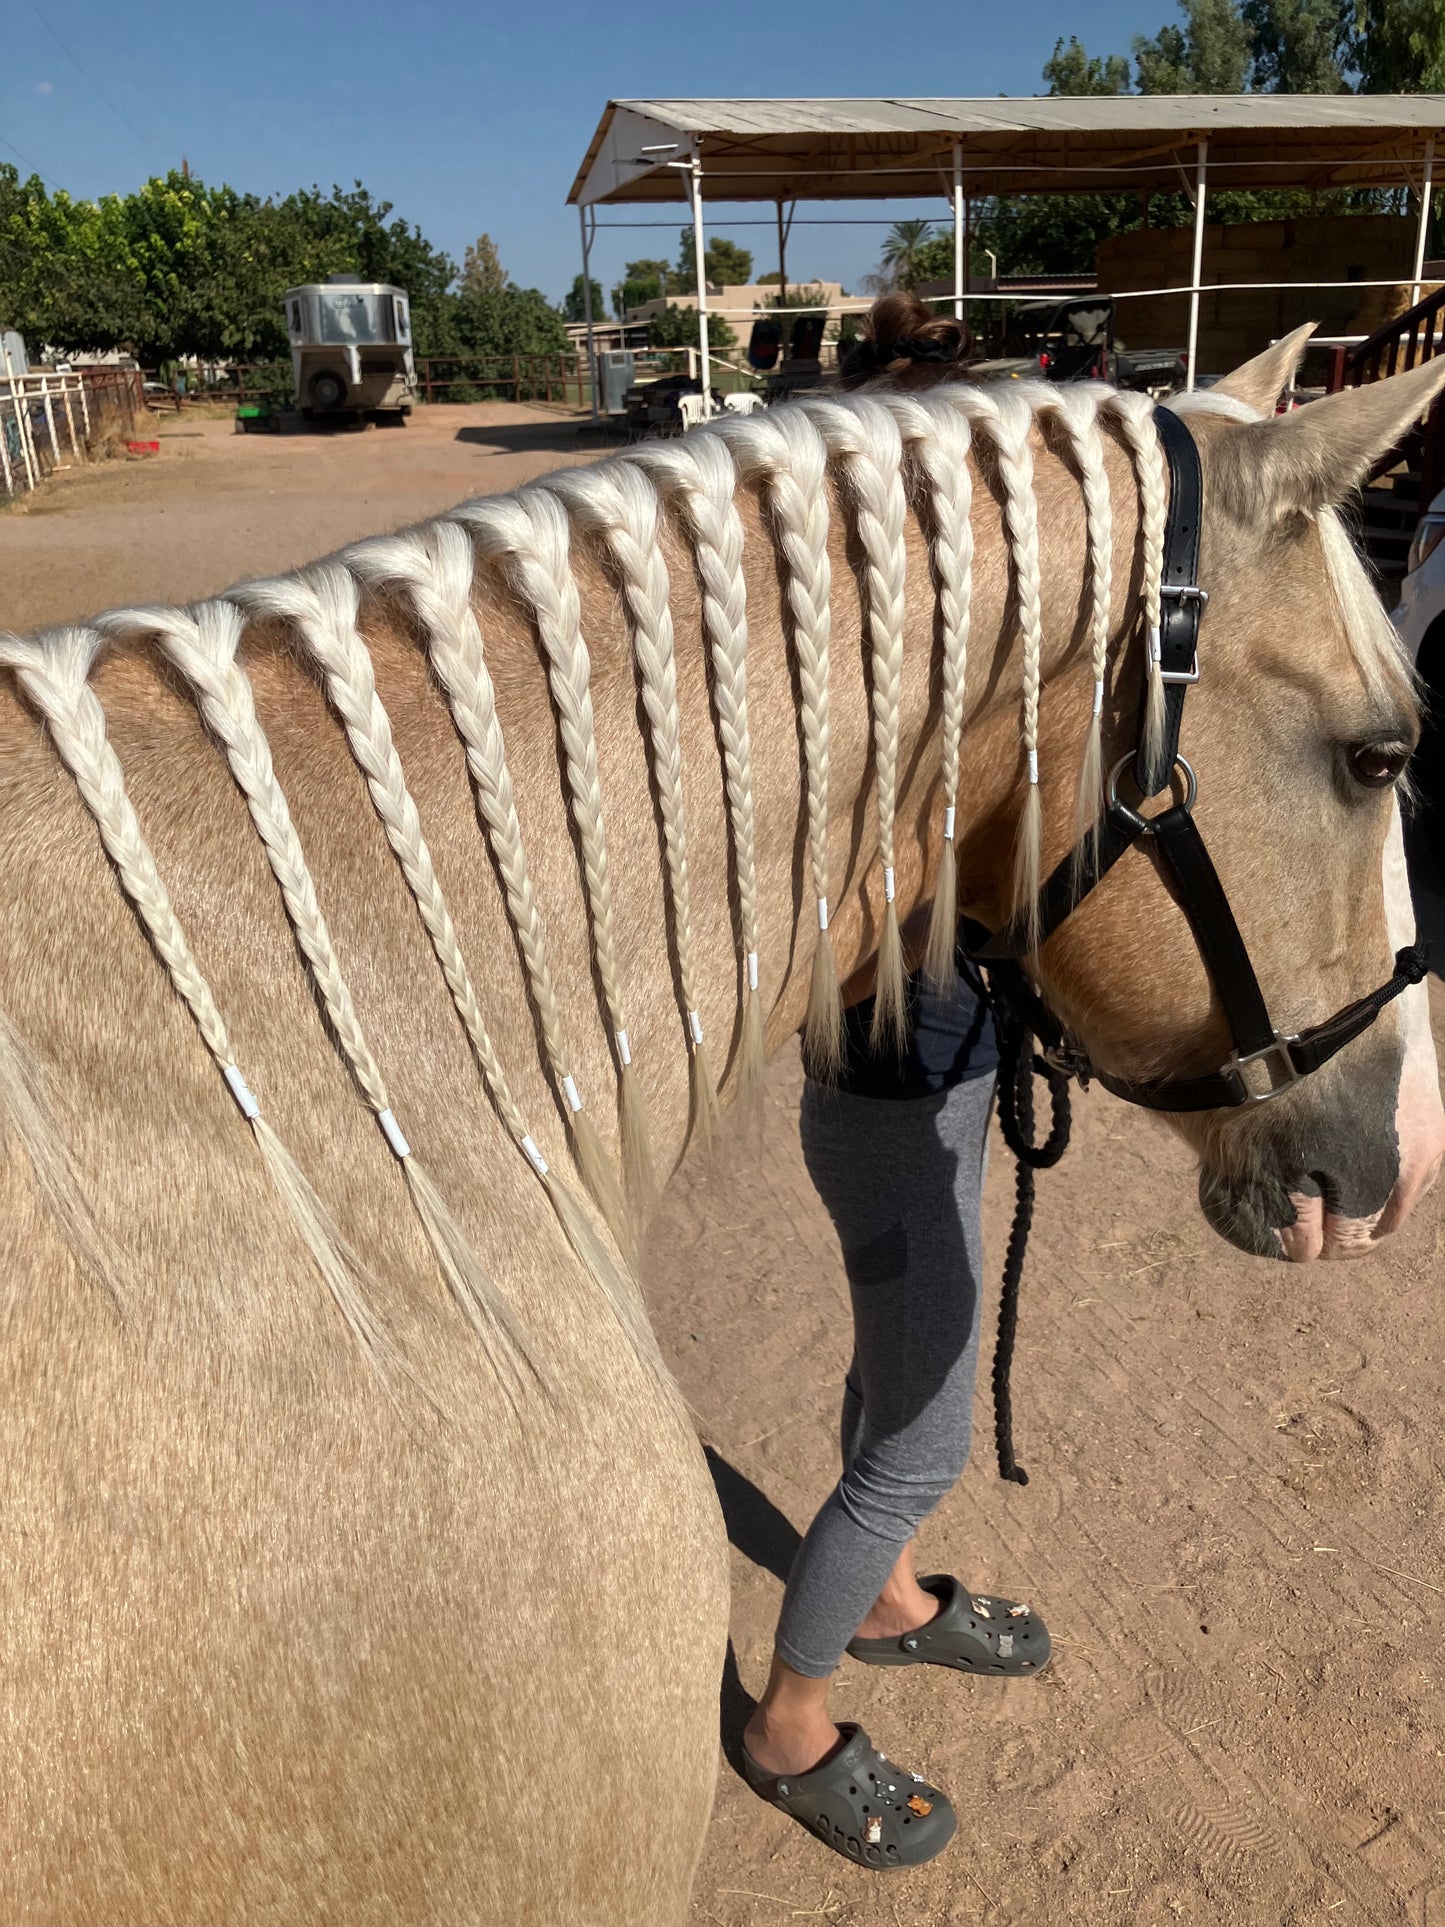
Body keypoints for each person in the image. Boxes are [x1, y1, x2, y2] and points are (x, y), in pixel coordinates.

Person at [740, 296, 1049, 1872]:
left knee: (902, 1370)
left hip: (932, 1087)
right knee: (918, 1427)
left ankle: (889, 1593)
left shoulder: (936, 675)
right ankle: (791, 1725)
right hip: (881, 1105)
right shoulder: (871, 701)